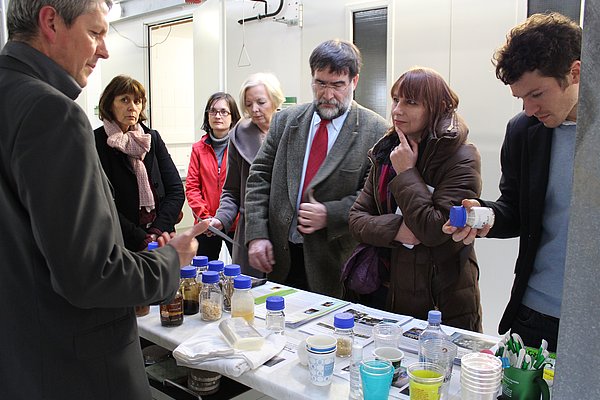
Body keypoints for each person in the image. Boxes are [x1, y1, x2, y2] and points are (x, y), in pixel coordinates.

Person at [0, 1, 208, 399]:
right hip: (75, 365)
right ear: (50, 21)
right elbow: (91, 274)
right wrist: (171, 260)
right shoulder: (52, 112)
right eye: (95, 33)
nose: (105, 50)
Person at [442, 13, 581, 351]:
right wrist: (484, 215)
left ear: (575, 72)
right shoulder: (523, 131)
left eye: (537, 94)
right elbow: (515, 210)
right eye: (521, 98)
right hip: (537, 312)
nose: (530, 108)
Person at [245, 39, 388, 298]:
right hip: (281, 258)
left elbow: (375, 199)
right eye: (320, 83)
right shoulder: (285, 121)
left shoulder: (376, 131)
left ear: (354, 82)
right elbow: (259, 178)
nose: (328, 94)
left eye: (337, 85)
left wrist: (330, 213)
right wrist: (257, 234)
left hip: (334, 263)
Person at [348, 67, 483, 331]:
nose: (397, 110)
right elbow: (355, 219)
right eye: (396, 100)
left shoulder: (461, 156)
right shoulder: (390, 149)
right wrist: (397, 230)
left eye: (410, 102)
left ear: (438, 107)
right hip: (384, 289)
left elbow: (434, 230)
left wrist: (407, 172)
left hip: (439, 299)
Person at [94, 75, 185, 251]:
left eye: (138, 101)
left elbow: (176, 190)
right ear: (109, 104)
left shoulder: (151, 138)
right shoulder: (96, 142)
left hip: (160, 236)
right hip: (120, 240)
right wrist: (141, 238)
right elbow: (101, 203)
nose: (132, 108)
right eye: (124, 100)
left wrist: (157, 231)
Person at [210, 73, 284, 276]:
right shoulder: (238, 136)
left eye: (261, 102)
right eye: (248, 104)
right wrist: (221, 218)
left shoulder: (292, 131)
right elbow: (231, 190)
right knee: (250, 296)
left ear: (275, 100)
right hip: (250, 230)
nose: (255, 110)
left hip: (284, 231)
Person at [186, 92, 241, 260]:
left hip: (236, 223)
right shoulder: (198, 149)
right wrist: (205, 218)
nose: (218, 116)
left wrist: (226, 218)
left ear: (232, 117)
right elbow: (192, 187)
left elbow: (243, 188)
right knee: (205, 272)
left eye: (224, 111)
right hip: (206, 225)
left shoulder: (241, 147)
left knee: (243, 271)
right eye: (213, 111)